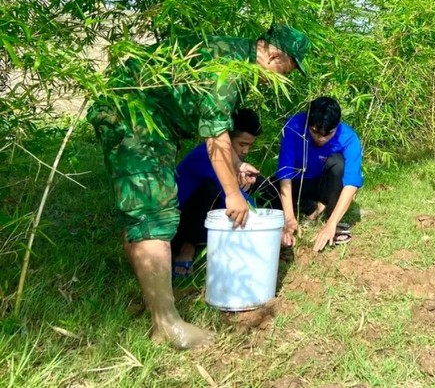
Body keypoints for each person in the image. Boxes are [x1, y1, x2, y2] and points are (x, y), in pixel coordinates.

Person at [87, 24, 310, 349]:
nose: (283, 79)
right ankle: (166, 324)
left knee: (145, 212)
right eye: (285, 71)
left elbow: (211, 121)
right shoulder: (230, 71)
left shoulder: (233, 53)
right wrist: (234, 195)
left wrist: (236, 165)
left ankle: (155, 299)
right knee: (153, 214)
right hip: (134, 115)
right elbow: (215, 137)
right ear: (274, 54)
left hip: (150, 118)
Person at [171, 108, 263, 278]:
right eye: (242, 144)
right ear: (226, 139)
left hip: (201, 217)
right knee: (210, 189)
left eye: (250, 145)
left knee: (259, 181)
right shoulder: (207, 155)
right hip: (176, 225)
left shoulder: (229, 160)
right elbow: (231, 198)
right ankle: (186, 248)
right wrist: (261, 223)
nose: (246, 151)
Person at [273, 97, 363, 252]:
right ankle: (312, 208)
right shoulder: (294, 126)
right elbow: (285, 174)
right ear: (308, 122)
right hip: (298, 182)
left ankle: (331, 215)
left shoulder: (348, 137)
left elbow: (351, 183)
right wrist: (288, 217)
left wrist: (332, 223)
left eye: (328, 134)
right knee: (266, 190)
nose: (321, 138)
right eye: (315, 132)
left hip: (324, 185)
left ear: (337, 126)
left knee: (338, 165)